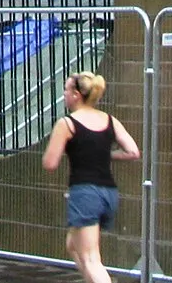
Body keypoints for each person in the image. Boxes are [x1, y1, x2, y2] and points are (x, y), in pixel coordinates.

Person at [41, 71, 139, 283]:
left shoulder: (67, 123)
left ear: (76, 94)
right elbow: (133, 151)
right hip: (109, 193)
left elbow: (50, 163)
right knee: (73, 245)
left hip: (85, 193)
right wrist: (104, 153)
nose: (64, 94)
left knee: (91, 258)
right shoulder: (109, 120)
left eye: (66, 90)